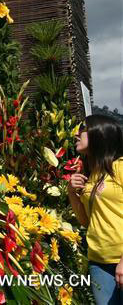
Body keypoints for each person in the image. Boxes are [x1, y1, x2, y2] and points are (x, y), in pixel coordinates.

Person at [68, 115, 123, 304]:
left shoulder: (120, 168)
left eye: (82, 129)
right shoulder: (91, 175)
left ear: (100, 134)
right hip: (98, 261)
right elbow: (86, 221)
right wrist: (72, 192)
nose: (76, 134)